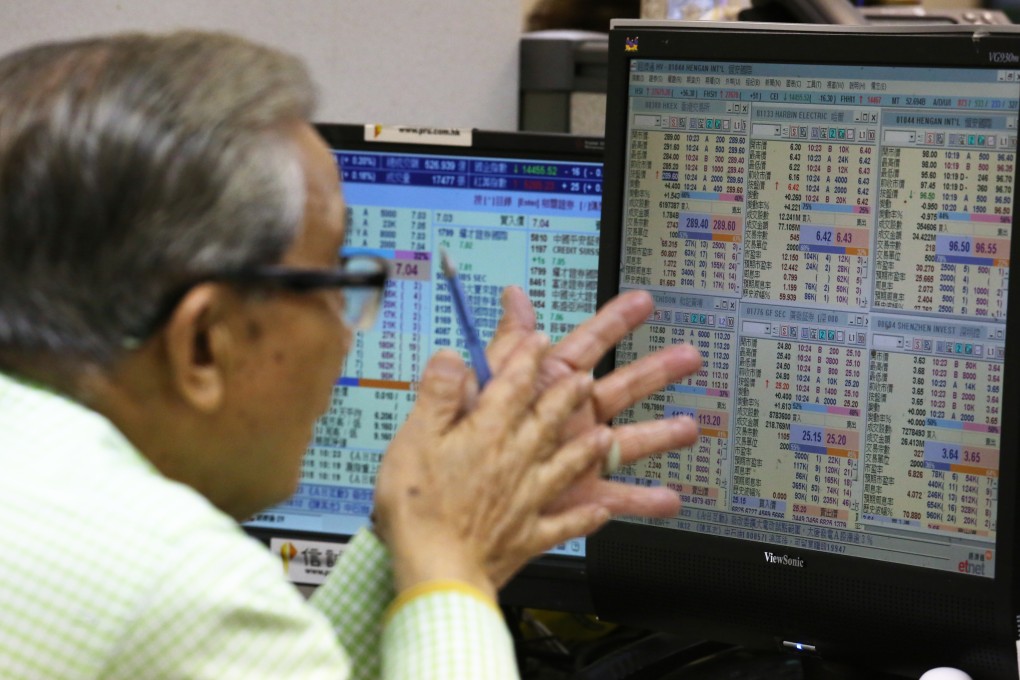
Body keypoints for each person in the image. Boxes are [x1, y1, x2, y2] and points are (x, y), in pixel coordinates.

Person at [0, 30, 702, 679]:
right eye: (335, 280)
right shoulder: (174, 580)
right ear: (204, 343)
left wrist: (419, 523)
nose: (347, 334)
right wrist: (452, 564)